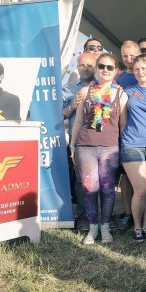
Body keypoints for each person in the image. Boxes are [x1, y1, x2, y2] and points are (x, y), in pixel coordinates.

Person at [70, 53, 127, 244]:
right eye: (102, 66)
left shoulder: (121, 94)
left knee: (108, 190)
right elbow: (77, 121)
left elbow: (123, 126)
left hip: (110, 148)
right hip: (85, 146)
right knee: (89, 188)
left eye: (110, 67)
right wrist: (72, 145)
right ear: (97, 68)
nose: (105, 70)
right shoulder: (85, 92)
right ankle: (92, 228)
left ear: (116, 71)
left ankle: (105, 227)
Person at [116, 41, 146, 231]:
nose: (139, 71)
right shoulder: (120, 80)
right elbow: (121, 117)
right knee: (133, 184)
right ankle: (131, 217)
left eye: (133, 56)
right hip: (131, 142)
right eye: (125, 56)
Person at [62, 53, 96, 230]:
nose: (86, 68)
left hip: (102, 140)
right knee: (82, 181)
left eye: (89, 65)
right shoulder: (68, 88)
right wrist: (72, 106)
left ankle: (103, 217)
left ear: (95, 66)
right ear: (78, 66)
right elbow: (60, 114)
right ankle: (84, 216)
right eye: (82, 65)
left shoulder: (104, 85)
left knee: (103, 181)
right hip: (80, 141)